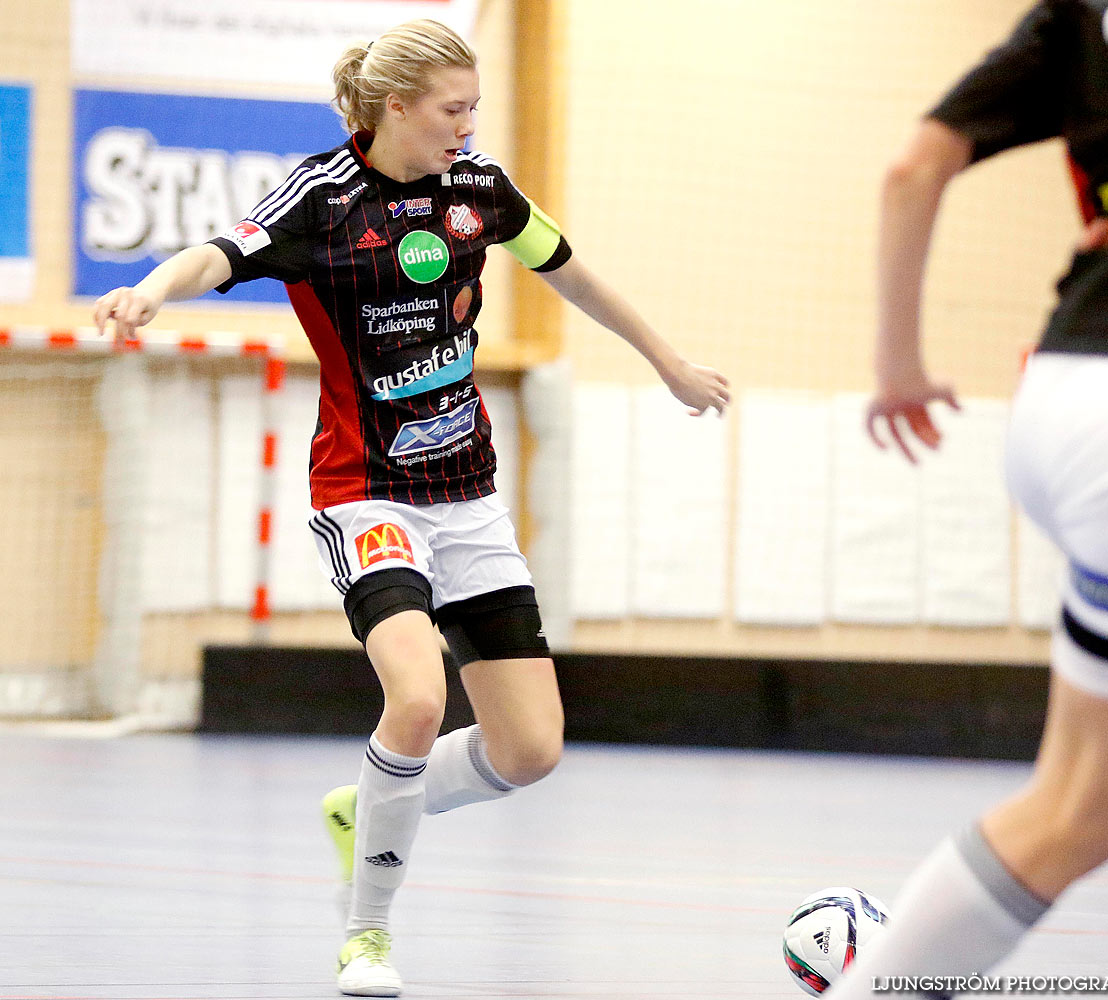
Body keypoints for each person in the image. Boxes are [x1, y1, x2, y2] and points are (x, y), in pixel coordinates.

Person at [93, 18, 730, 997]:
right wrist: (148, 291)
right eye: (452, 110)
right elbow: (216, 253)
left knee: (529, 749)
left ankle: (368, 804)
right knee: (421, 696)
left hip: (467, 497)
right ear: (396, 107)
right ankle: (367, 935)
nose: (467, 127)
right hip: (364, 492)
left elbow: (574, 272)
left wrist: (670, 362)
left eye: (474, 108)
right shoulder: (323, 200)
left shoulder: (479, 191)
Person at [821, 3, 1108, 997]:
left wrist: (896, 366)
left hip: (1073, 391)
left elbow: (911, 169)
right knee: (1085, 807)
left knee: (1083, 804)